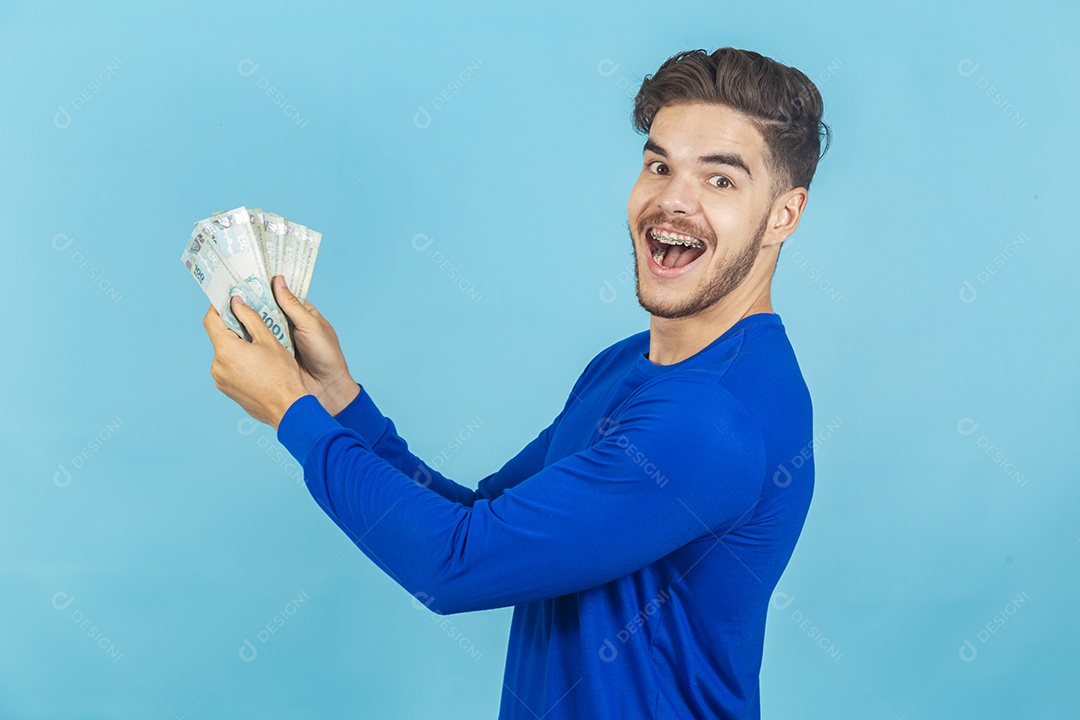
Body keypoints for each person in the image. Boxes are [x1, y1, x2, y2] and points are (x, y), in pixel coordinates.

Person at [203, 46, 830, 720]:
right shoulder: (628, 363)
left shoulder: (710, 419)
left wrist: (291, 412)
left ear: (784, 215)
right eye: (659, 166)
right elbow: (482, 518)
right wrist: (335, 397)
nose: (673, 199)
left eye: (720, 180)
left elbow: (454, 564)